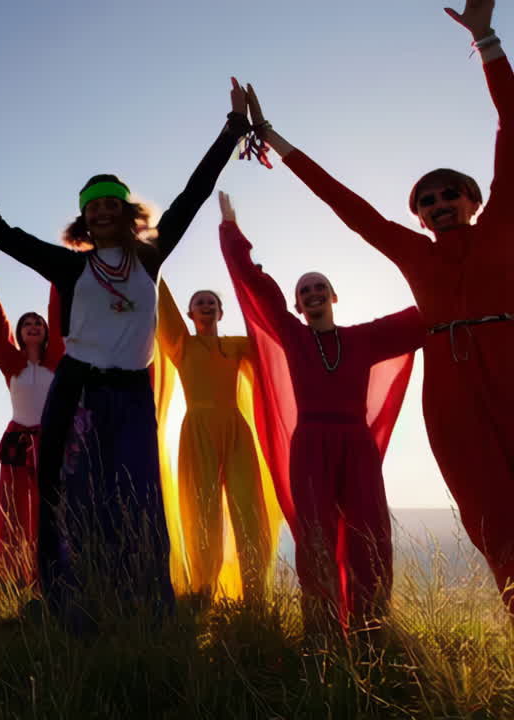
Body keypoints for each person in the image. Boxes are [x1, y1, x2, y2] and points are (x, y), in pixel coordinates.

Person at [244, 0, 514, 616]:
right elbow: (344, 202)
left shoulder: (502, 226)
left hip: (509, 358)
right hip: (451, 387)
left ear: (472, 200)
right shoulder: (412, 253)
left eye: (451, 194)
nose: (439, 203)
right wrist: (273, 137)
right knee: (492, 515)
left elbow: (512, 126)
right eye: (427, 200)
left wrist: (487, 38)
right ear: (418, 215)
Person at [0, 87, 250, 622]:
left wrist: (232, 128)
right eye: (95, 206)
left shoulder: (150, 256)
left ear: (129, 213)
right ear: (84, 220)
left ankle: (139, 600)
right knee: (66, 490)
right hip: (77, 388)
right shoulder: (69, 266)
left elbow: (194, 192)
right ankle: (64, 597)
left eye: (114, 203)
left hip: (132, 392)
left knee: (134, 491)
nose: (105, 211)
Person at [219, 192, 423, 633]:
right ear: (297, 305)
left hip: (356, 443)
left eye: (318, 287)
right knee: (315, 536)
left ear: (333, 296)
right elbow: (257, 287)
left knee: (370, 534)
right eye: (303, 290)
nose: (311, 293)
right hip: (310, 444)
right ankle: (323, 629)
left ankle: (371, 626)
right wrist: (232, 232)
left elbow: (425, 319)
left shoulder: (363, 338)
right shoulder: (293, 336)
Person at [152, 278, 281, 605]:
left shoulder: (237, 345)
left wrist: (258, 286)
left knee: (247, 509)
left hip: (236, 429)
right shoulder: (182, 344)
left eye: (212, 302)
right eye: (200, 302)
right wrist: (154, 265)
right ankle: (202, 591)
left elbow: (270, 339)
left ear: (221, 312)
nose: (206, 305)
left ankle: (253, 594)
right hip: (197, 431)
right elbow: (162, 305)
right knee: (202, 510)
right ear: (190, 313)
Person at [0, 254, 63, 585]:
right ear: (21, 332)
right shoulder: (12, 364)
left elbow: (59, 313)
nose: (33, 327)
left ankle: (51, 570)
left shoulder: (58, 360)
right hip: (18, 441)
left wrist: (58, 277)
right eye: (27, 324)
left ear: (46, 331)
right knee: (15, 508)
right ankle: (14, 572)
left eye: (38, 323)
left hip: (52, 438)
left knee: (50, 507)